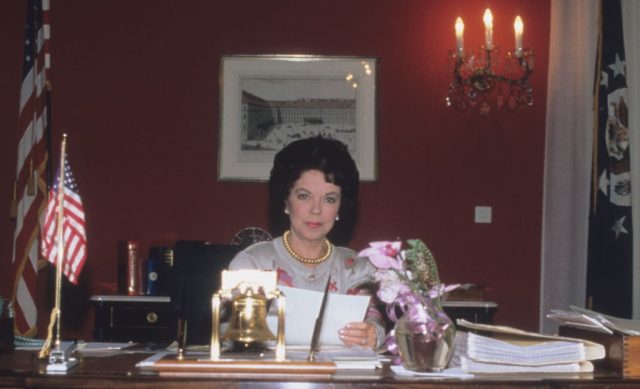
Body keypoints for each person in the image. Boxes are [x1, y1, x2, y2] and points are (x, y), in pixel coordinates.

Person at [229, 136, 385, 349]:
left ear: (340, 206)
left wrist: (372, 334)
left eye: (329, 199)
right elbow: (229, 334)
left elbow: (374, 319)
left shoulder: (356, 267)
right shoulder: (253, 263)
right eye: (304, 196)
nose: (316, 210)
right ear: (286, 200)